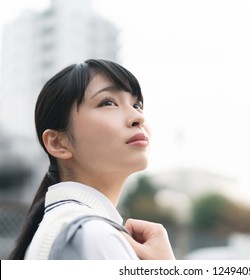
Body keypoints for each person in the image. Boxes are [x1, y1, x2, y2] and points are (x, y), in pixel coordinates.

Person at [9, 59, 175, 260]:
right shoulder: (92, 234)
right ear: (57, 143)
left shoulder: (68, 225)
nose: (137, 117)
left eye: (137, 104)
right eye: (108, 102)